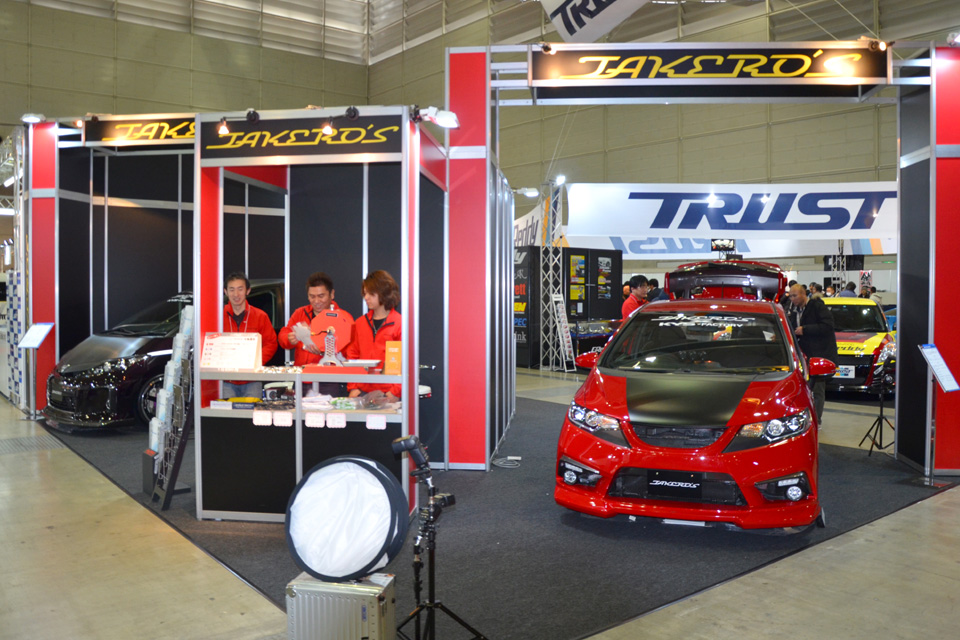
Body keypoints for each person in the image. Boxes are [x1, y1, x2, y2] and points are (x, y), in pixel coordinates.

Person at [345, 270, 402, 400]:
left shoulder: (399, 324)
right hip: (361, 391)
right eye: (365, 293)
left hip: (388, 393)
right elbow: (352, 356)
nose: (366, 298)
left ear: (384, 293)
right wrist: (353, 387)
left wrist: (395, 392)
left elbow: (405, 362)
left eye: (371, 294)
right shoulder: (359, 323)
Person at [222, 272, 278, 399]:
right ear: (226, 292)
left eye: (240, 289)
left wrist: (257, 361)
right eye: (232, 289)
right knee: (226, 411)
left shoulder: (260, 316)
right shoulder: (218, 316)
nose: (236, 294)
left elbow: (271, 343)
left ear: (248, 291)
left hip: (253, 379)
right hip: (225, 380)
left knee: (253, 411)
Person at [278, 272, 354, 366]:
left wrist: (324, 350)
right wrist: (289, 339)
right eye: (312, 296)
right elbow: (283, 336)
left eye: (321, 296)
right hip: (303, 371)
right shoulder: (300, 313)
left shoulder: (343, 318)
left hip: (330, 371)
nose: (317, 301)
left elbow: (351, 349)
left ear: (332, 294)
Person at [788, 283, 838, 425]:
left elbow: (828, 326)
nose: (792, 299)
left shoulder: (817, 307)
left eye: (794, 296)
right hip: (804, 357)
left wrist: (805, 329)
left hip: (819, 356)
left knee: (817, 390)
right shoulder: (795, 310)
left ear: (803, 294)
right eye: (790, 296)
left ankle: (816, 421)